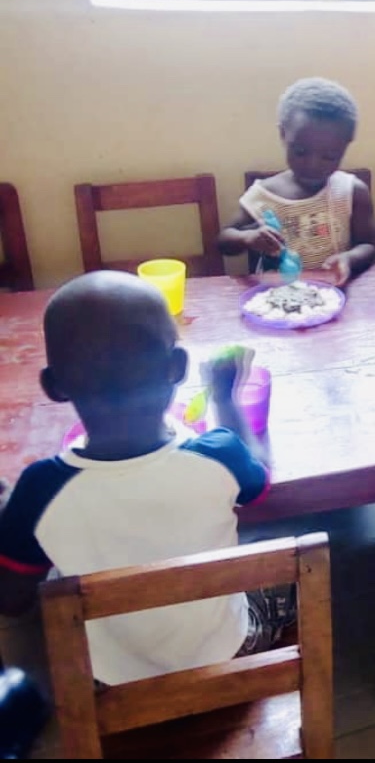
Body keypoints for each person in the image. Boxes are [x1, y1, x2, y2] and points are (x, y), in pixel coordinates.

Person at [0, 271, 288, 686]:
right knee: (272, 566)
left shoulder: (40, 490)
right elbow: (261, 479)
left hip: (110, 683)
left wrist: (11, 511)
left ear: (54, 386)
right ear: (177, 369)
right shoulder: (218, 454)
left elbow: (11, 600)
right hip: (224, 659)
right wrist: (225, 399)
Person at [219, 76, 375, 285]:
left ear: (345, 146)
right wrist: (248, 238)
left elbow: (369, 246)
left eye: (329, 156)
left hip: (332, 294)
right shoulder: (264, 194)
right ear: (283, 134)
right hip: (277, 298)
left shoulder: (352, 192)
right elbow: (223, 241)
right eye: (301, 151)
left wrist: (349, 259)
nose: (313, 165)